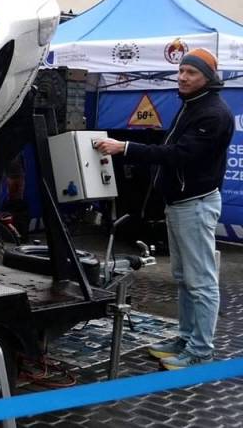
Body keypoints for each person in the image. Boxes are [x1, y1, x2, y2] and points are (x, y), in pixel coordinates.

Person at [96, 48, 233, 370]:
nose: (183, 77)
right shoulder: (193, 104)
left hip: (195, 205)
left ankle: (200, 352)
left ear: (208, 78)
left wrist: (125, 147)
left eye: (192, 73)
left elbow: (179, 155)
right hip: (182, 204)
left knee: (200, 281)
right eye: (181, 70)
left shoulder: (213, 113)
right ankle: (185, 339)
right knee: (185, 278)